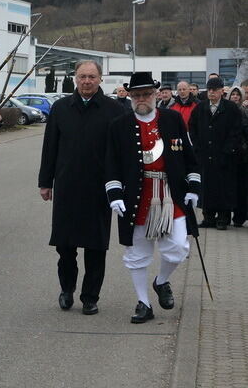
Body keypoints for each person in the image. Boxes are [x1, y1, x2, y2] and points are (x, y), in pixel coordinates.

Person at [104, 72, 200, 323]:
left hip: (170, 194)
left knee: (178, 248)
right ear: (130, 97)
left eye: (146, 94)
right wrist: (114, 193)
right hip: (137, 195)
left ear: (156, 94)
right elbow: (111, 164)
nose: (142, 99)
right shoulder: (118, 126)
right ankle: (143, 303)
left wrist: (193, 186)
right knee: (137, 253)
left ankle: (162, 281)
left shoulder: (173, 118)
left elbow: (189, 156)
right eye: (136, 95)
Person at [38, 60, 124, 315]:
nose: (87, 81)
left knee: (96, 247)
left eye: (92, 77)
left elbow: (121, 152)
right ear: (75, 78)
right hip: (67, 186)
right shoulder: (61, 108)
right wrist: (45, 182)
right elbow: (49, 147)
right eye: (83, 76)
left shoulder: (114, 109)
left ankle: (90, 297)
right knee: (65, 247)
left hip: (100, 189)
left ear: (100, 79)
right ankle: (67, 290)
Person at [188, 76, 243, 230]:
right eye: (209, 90)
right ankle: (208, 217)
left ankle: (223, 218)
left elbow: (236, 131)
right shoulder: (200, 108)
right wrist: (197, 147)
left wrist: (229, 149)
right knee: (206, 188)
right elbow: (192, 127)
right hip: (205, 155)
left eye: (215, 90)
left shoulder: (231, 108)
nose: (211, 93)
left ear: (221, 91)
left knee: (224, 188)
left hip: (225, 156)